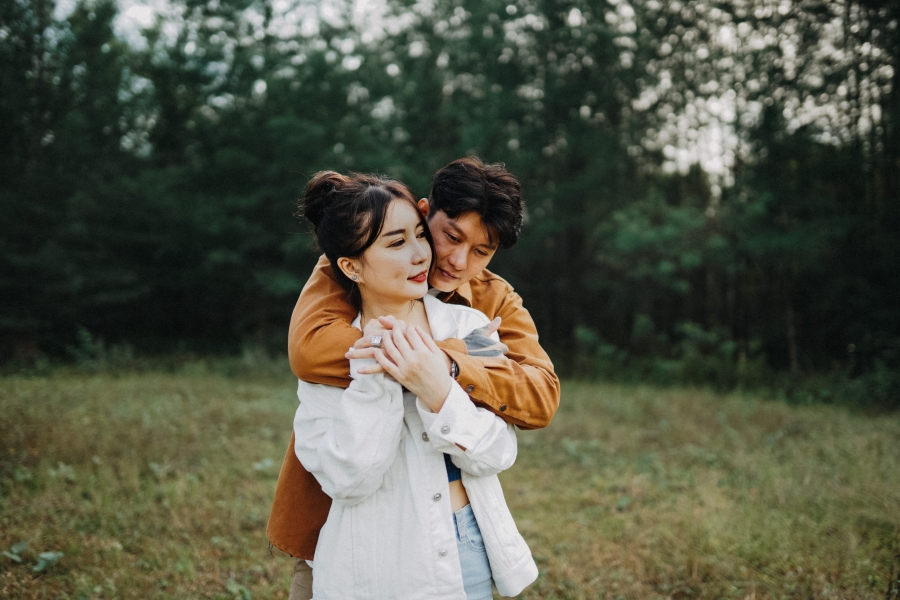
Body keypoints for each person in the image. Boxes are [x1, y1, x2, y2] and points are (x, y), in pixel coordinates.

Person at [268, 157, 559, 597]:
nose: (459, 261)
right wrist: (430, 356)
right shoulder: (344, 267)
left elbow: (538, 396)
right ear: (425, 211)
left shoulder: (488, 304)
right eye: (450, 236)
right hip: (346, 524)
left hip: (455, 530)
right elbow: (309, 351)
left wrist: (447, 368)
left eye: (482, 251)